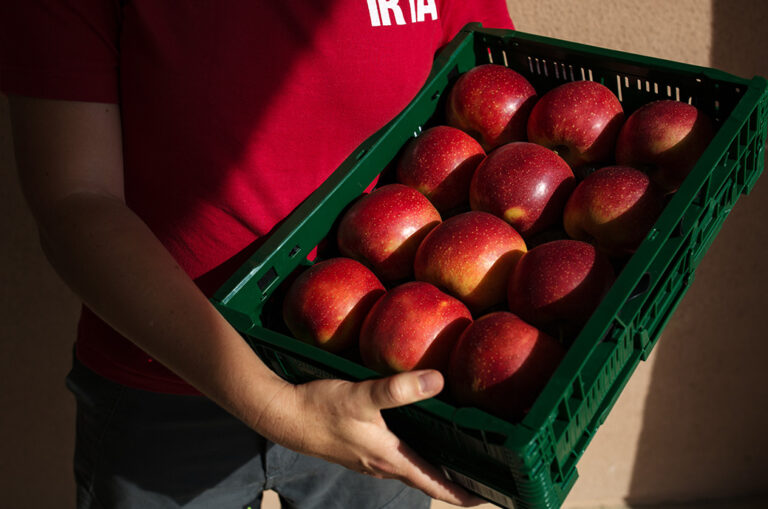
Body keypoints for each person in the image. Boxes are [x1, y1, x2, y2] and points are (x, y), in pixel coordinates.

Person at [1, 1, 514, 507]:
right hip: (164, 379)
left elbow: (491, 92)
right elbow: (76, 201)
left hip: (373, 372)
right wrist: (277, 404)